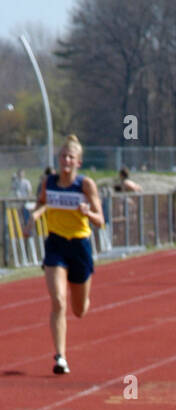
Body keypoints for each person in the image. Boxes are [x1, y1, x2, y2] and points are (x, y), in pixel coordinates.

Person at [28, 135, 103, 375]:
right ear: (58, 159)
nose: (66, 160)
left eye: (71, 157)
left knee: (79, 309)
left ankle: (84, 297)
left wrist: (88, 212)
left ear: (78, 162)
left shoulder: (85, 185)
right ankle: (60, 356)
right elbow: (42, 203)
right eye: (63, 156)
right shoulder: (48, 181)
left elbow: (100, 221)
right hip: (56, 245)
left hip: (80, 246)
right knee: (58, 300)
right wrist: (35, 215)